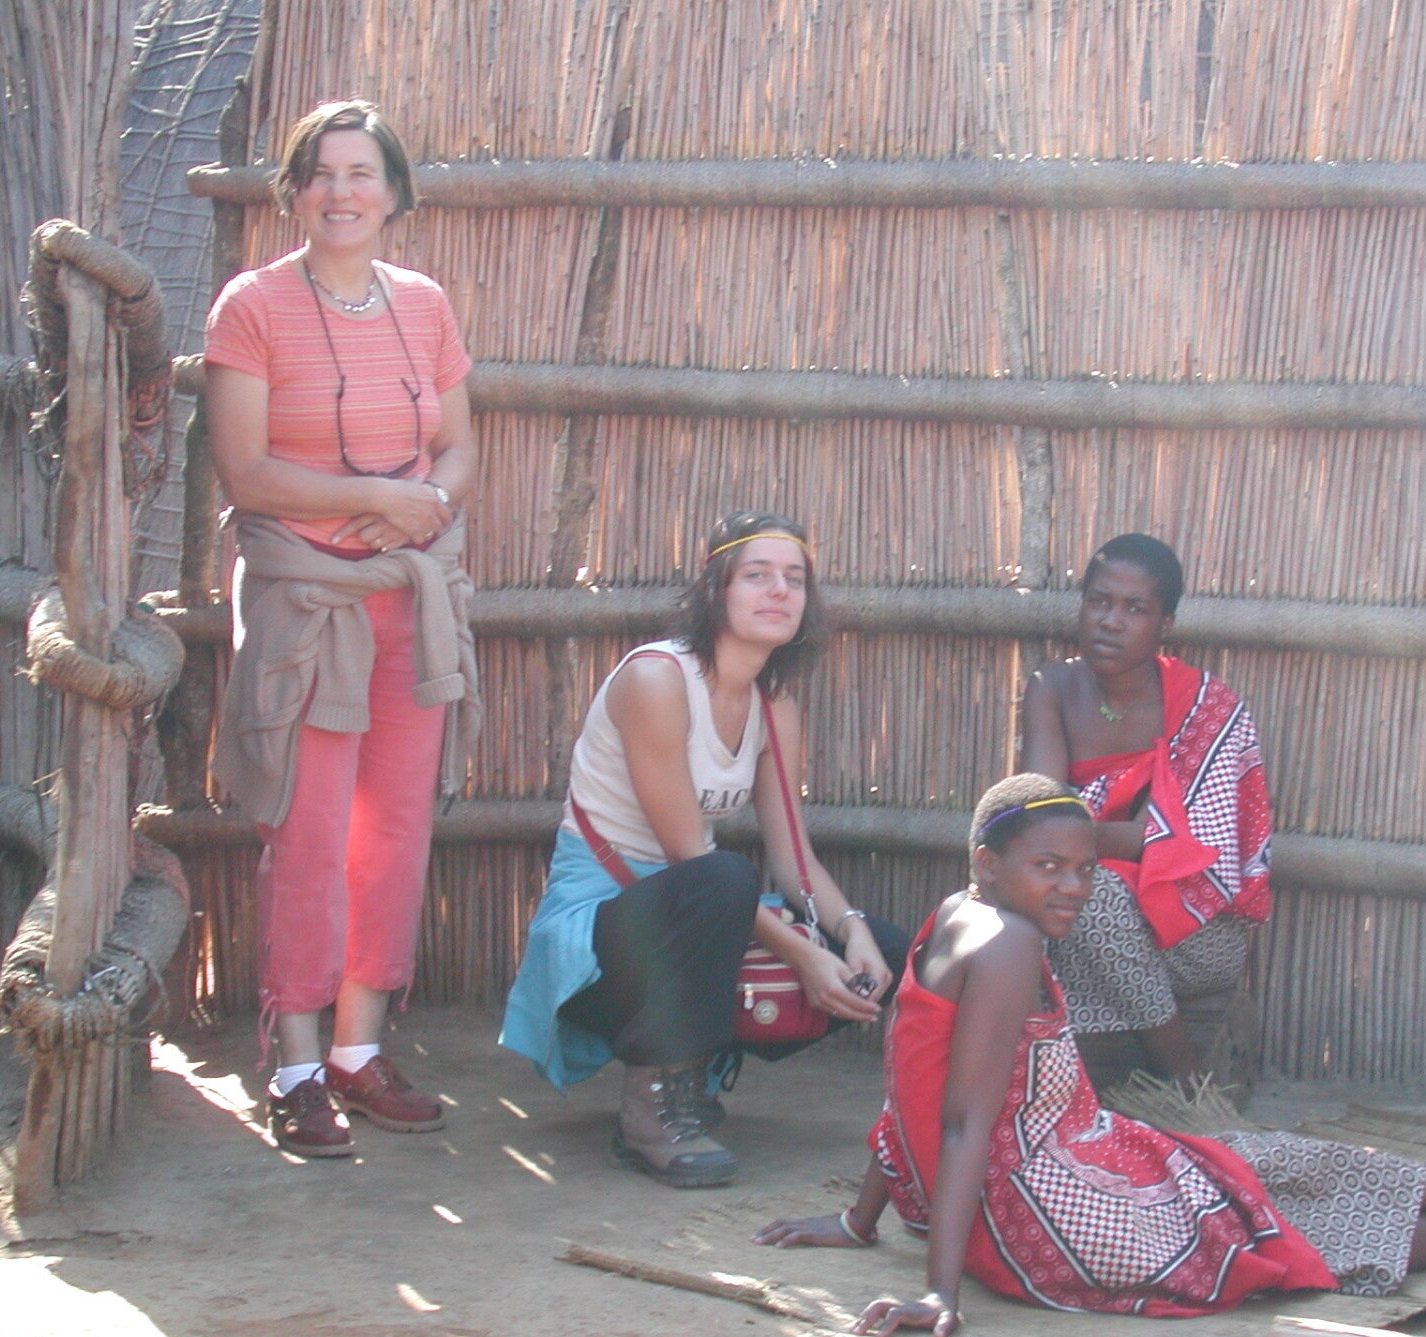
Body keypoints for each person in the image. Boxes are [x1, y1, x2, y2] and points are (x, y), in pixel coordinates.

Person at [755, 774, 1426, 1337]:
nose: (1072, 887)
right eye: (1049, 866)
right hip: (1050, 1214)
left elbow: (906, 1087)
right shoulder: (1008, 944)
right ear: (990, 862)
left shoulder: (957, 915)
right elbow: (959, 1119)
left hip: (1048, 1178)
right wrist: (939, 1292)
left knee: (1260, 1167)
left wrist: (861, 1221)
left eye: (1085, 869)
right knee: (1278, 1230)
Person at [203, 99, 479, 1158]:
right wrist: (374, 500)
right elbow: (246, 470)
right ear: (294, 192)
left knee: (394, 829)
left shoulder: (424, 304)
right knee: (310, 832)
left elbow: (460, 448)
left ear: (395, 192)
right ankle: (296, 1066)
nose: (341, 191)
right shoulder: (252, 306)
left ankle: (360, 1052)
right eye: (320, 172)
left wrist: (426, 507)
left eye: (362, 172)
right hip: (307, 602)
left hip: (410, 596)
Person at [501, 510, 909, 1188]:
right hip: (603, 939)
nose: (779, 591)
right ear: (717, 588)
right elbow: (689, 861)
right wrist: (803, 955)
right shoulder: (657, 680)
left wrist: (853, 931)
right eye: (757, 575)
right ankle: (651, 1109)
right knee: (721, 879)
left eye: (795, 579)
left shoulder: (773, 705)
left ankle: (696, 1064)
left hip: (695, 923)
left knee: (886, 953)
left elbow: (795, 858)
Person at [1020, 533, 1270, 1090]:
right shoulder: (1052, 688)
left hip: (1194, 934)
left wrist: (1087, 838)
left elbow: (1202, 850)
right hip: (1075, 913)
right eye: (1098, 601)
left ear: (1165, 624)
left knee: (1091, 894)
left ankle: (1183, 1082)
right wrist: (1132, 837)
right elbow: (1040, 818)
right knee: (1038, 901)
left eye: (1135, 609)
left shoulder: (1209, 707)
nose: (1111, 621)